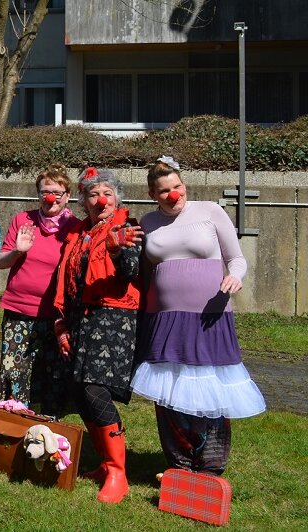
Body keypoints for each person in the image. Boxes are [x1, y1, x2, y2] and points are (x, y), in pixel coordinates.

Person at [132, 157, 265, 477]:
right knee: (168, 393)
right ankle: (178, 463)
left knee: (210, 390)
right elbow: (144, 272)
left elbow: (237, 259)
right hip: (163, 320)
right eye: (164, 190)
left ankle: (210, 465)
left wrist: (235, 277)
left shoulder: (210, 212)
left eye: (178, 186)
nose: (173, 194)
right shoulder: (147, 223)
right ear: (153, 194)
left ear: (184, 185)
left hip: (209, 317)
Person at [54, 167, 144, 504]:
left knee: (95, 388)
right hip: (82, 317)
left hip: (113, 317)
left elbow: (131, 271)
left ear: (117, 198)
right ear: (84, 201)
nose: (100, 199)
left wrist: (118, 250)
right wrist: (62, 322)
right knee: (80, 390)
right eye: (93, 194)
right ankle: (106, 464)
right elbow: (69, 279)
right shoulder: (80, 233)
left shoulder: (128, 228)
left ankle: (119, 473)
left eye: (106, 193)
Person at [0, 165, 80, 415]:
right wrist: (19, 250)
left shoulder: (75, 228)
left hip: (55, 315)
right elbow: (1, 262)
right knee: (14, 370)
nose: (50, 197)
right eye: (44, 192)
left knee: (50, 373)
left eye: (56, 192)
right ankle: (10, 423)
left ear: (67, 194)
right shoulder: (23, 220)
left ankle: (46, 429)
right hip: (18, 310)